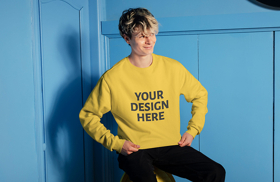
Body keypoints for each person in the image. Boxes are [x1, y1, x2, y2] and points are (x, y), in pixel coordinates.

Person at [79, 7, 225, 182]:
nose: (150, 41)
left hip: (170, 145)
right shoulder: (112, 78)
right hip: (135, 149)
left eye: (152, 34)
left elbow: (200, 94)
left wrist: (193, 130)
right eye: (142, 36)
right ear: (127, 39)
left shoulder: (173, 68)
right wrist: (117, 144)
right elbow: (88, 116)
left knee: (215, 172)